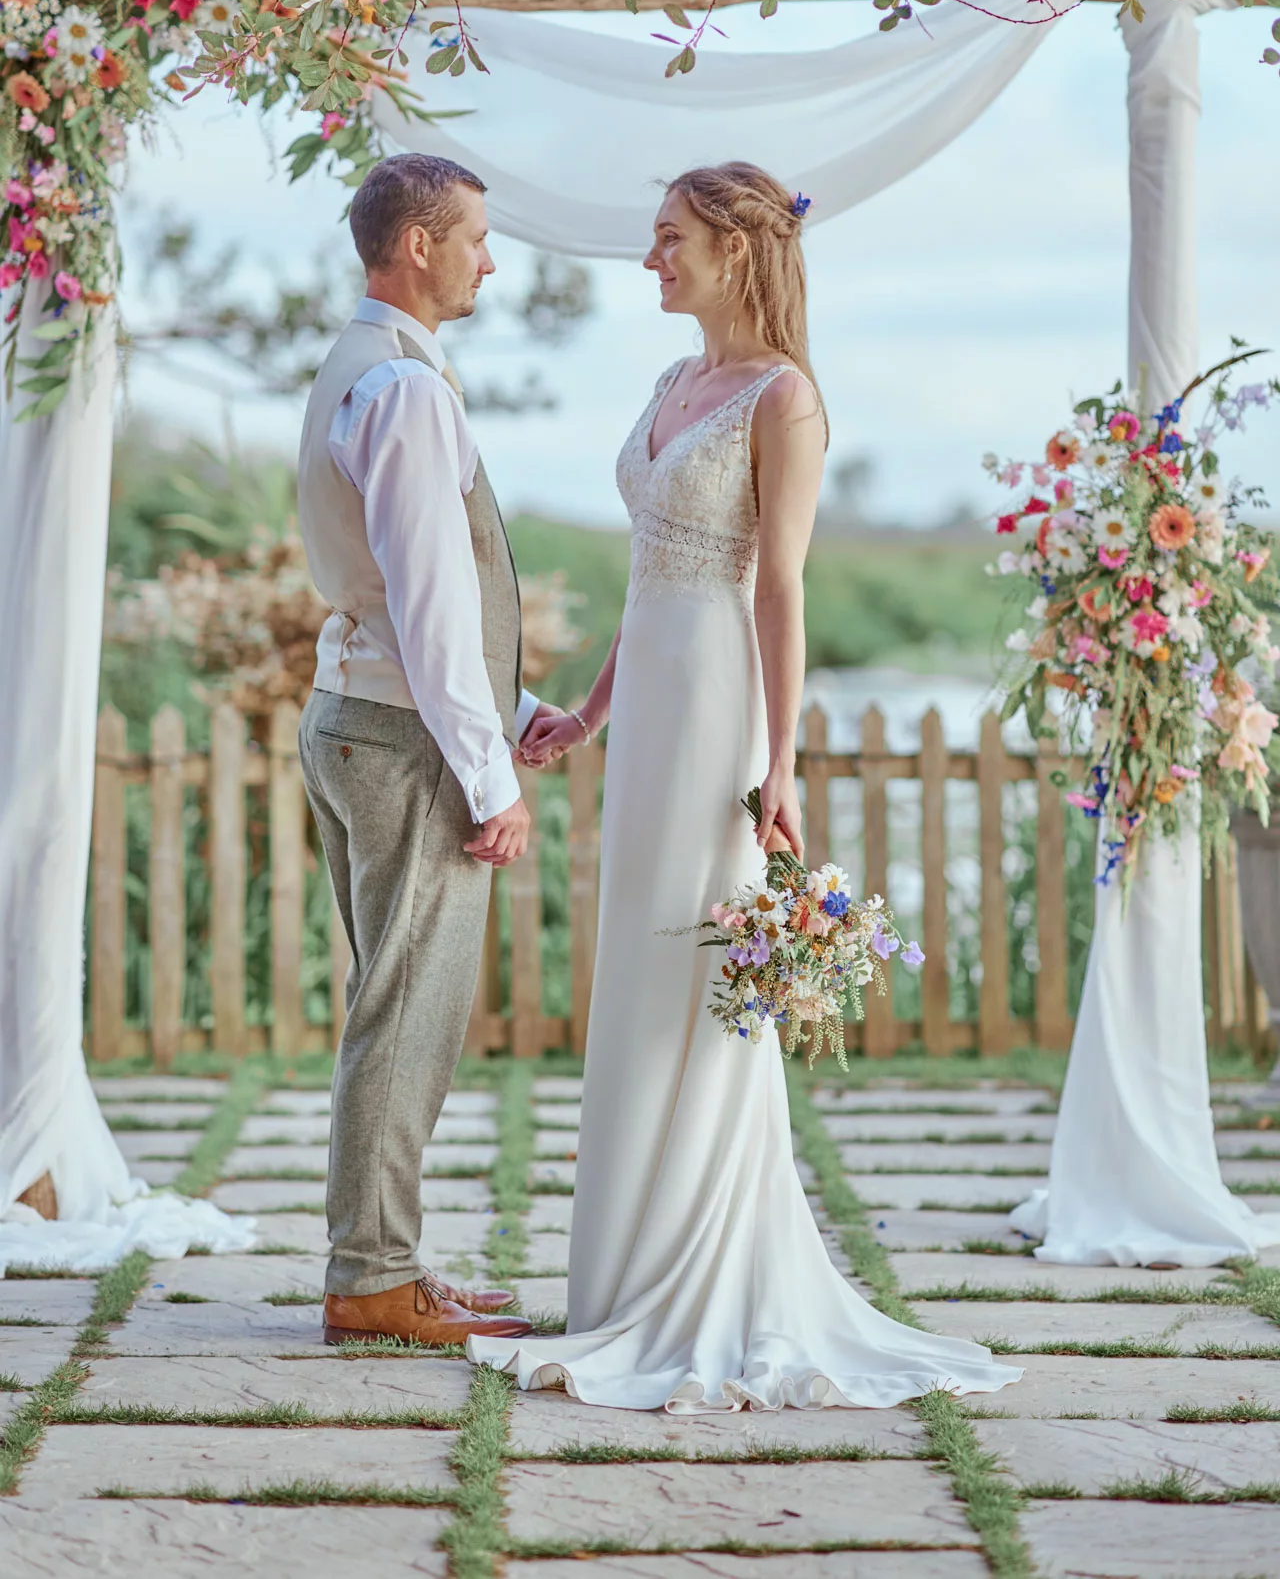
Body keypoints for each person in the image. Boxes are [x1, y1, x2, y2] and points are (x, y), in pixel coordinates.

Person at [468, 161, 1021, 1411]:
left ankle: (703, 1268)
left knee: (705, 956)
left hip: (721, 702)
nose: (650, 258)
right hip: (652, 697)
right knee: (643, 959)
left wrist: (779, 761)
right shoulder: (671, 384)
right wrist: (592, 708)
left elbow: (775, 587)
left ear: (733, 248)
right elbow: (649, 572)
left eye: (668, 238)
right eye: (653, 237)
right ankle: (625, 1272)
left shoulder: (786, 398)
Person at [297, 153, 561, 1349]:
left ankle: (387, 1259)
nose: (490, 260)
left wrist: (515, 703)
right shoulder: (403, 390)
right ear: (414, 245)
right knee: (406, 1013)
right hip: (404, 742)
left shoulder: (372, 369)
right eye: (474, 238)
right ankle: (371, 1280)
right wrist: (489, 774)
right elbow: (430, 599)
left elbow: (423, 597)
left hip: (370, 718)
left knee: (389, 1005)